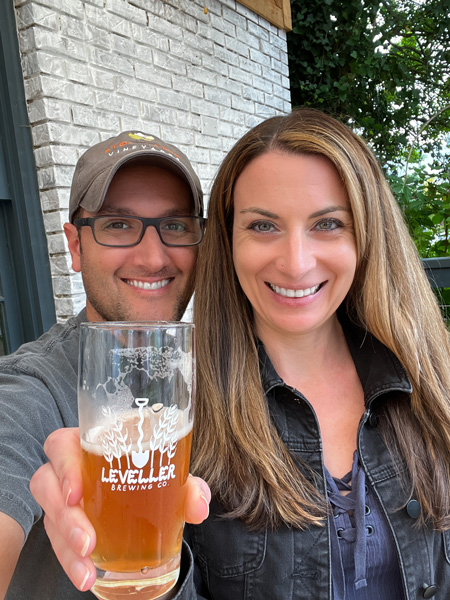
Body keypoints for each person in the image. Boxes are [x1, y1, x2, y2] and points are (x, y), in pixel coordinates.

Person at [32, 109, 450, 599]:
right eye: (264, 226)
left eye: (328, 223)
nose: (296, 262)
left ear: (367, 237)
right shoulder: (176, 416)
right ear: (227, 241)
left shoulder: (433, 381)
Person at [0, 131, 210, 600]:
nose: (154, 257)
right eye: (118, 225)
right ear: (75, 246)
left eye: (175, 227)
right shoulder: (33, 386)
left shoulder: (214, 367)